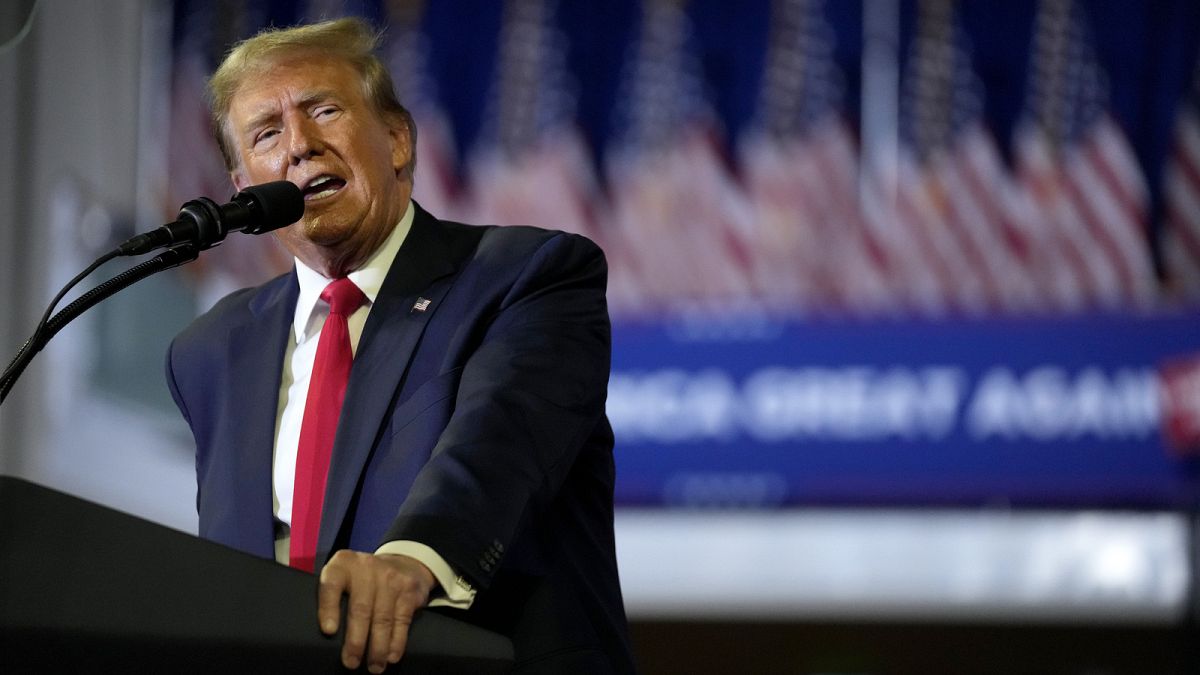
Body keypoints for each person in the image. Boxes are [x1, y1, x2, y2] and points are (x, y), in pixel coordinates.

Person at [165, 17, 634, 674]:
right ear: (245, 190)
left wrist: (413, 560)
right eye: (267, 134)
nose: (299, 146)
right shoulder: (210, 352)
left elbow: (499, 446)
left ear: (397, 140)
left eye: (323, 111)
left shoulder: (527, 277)